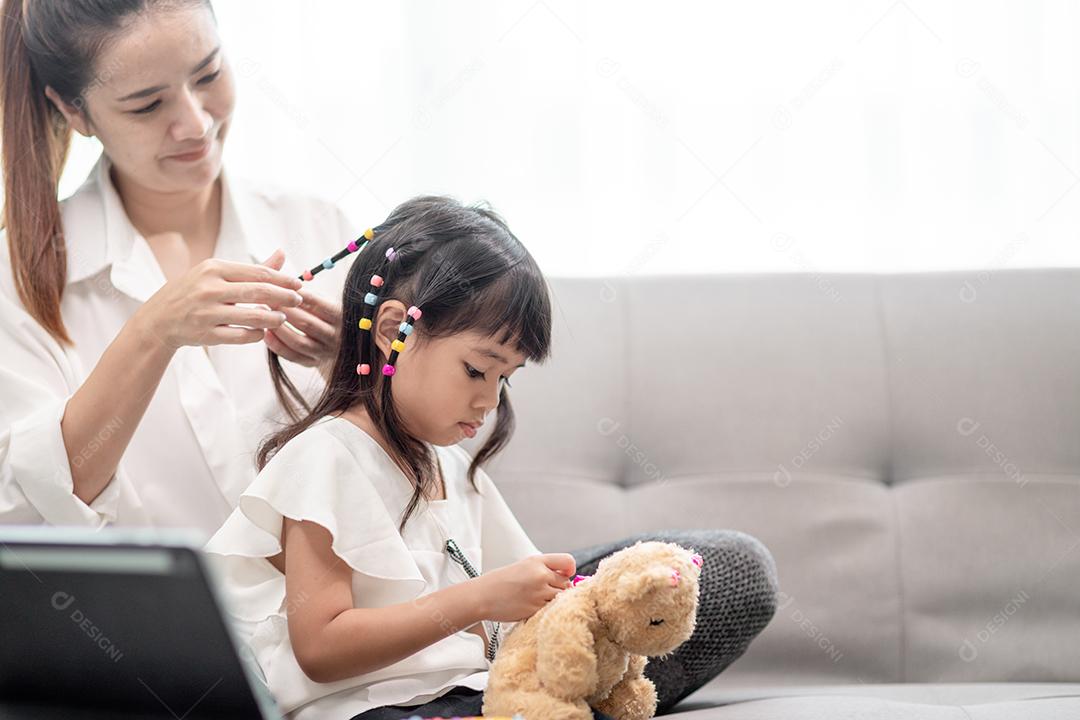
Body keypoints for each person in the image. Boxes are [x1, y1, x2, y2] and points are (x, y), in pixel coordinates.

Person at [205, 196, 779, 720]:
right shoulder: (327, 458)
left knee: (713, 577)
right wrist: (479, 599)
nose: (488, 400)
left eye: (506, 378)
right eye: (477, 370)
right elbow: (321, 649)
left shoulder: (446, 461)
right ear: (392, 330)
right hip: (373, 709)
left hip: (477, 691)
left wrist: (587, 605)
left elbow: (525, 597)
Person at [0, 0, 354, 538]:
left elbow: (428, 464)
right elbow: (28, 512)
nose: (194, 124)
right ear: (75, 112)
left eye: (208, 74)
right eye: (146, 106)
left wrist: (349, 371)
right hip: (140, 623)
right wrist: (151, 333)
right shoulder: (16, 279)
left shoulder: (319, 225)